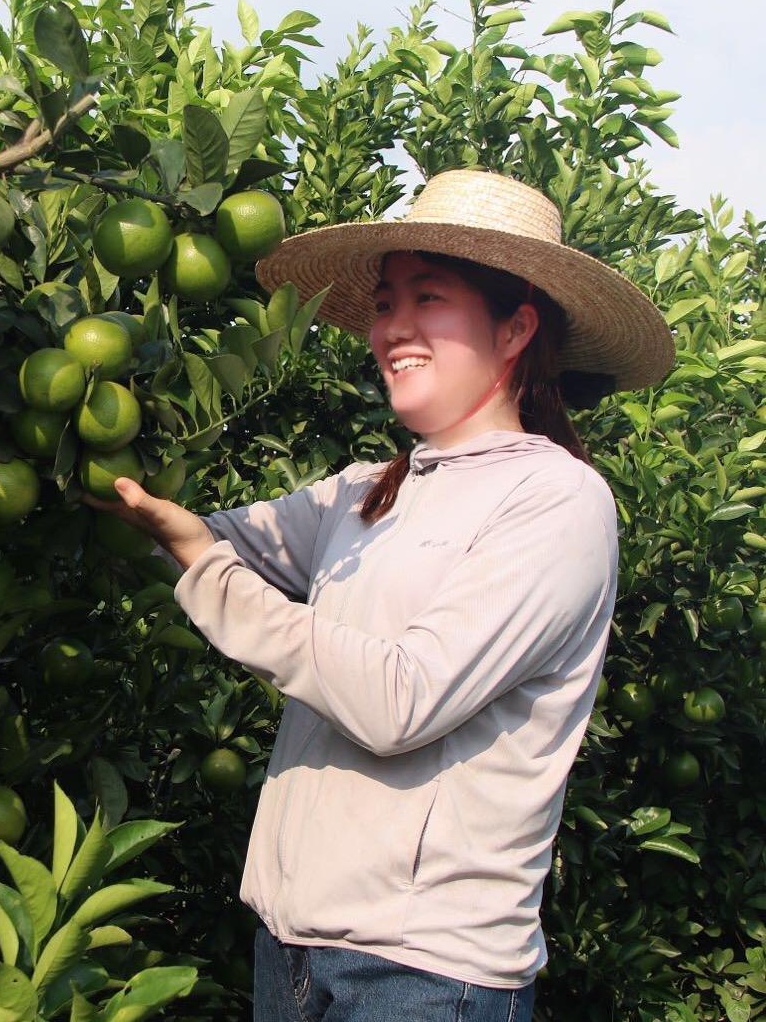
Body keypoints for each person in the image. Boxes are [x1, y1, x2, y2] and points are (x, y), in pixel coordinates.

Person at [83, 169, 674, 1021]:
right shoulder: (364, 492)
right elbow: (196, 538)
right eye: (387, 303)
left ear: (515, 328)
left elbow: (400, 700)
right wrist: (89, 449)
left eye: (428, 298)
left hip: (425, 974)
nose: (392, 327)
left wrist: (200, 564)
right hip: (290, 948)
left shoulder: (556, 501)